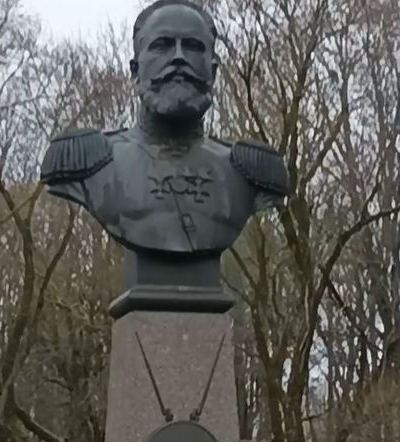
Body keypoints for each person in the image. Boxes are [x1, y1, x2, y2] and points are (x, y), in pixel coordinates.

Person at [40, 0, 287, 256]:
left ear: (213, 71)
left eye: (193, 46)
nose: (179, 57)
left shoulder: (248, 173)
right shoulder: (88, 163)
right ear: (135, 71)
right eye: (162, 45)